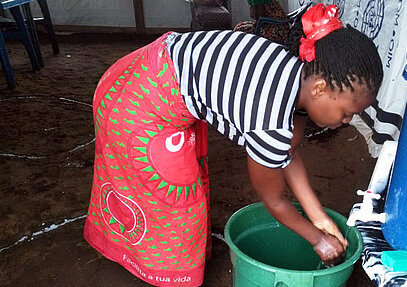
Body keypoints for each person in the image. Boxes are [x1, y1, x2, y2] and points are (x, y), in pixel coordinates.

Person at [83, 3, 383, 287]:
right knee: (175, 202)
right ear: (320, 89)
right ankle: (161, 272)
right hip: (135, 102)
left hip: (153, 72)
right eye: (347, 113)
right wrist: (316, 240)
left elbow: (289, 153)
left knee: (182, 192)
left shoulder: (300, 75)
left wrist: (319, 218)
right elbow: (274, 199)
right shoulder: (269, 119)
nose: (346, 122)